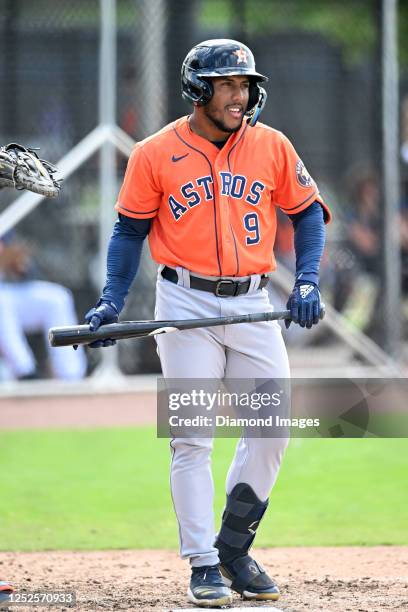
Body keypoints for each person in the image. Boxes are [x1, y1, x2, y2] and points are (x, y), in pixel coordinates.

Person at [85, 39, 331, 608]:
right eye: (227, 85)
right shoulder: (154, 152)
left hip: (253, 300)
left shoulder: (271, 145)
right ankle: (202, 564)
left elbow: (307, 214)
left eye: (245, 85)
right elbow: (129, 232)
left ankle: (234, 550)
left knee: (271, 429)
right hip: (185, 304)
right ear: (198, 90)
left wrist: (308, 280)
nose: (240, 96)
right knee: (192, 437)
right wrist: (111, 300)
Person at [0, 236, 87, 381]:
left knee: (57, 298)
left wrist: (19, 266)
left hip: (10, 290)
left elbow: (27, 271)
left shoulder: (6, 232)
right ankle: (25, 372)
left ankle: (71, 376)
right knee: (1, 303)